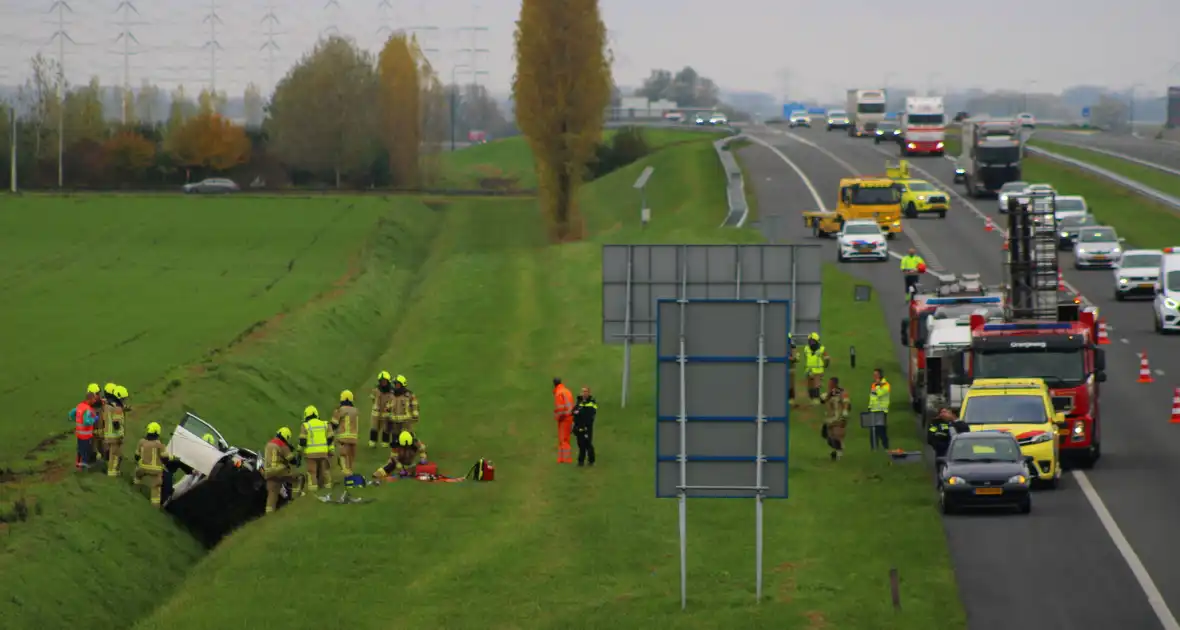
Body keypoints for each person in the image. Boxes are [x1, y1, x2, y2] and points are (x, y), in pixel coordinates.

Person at [134, 422, 171, 508]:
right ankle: (155, 506)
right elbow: (165, 459)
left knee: (137, 476)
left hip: (142, 467)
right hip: (155, 471)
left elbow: (136, 456)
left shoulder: (141, 442)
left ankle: (135, 490)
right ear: (158, 432)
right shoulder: (160, 445)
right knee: (156, 487)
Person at [262, 427, 299, 515]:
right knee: (297, 479)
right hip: (279, 470)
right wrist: (296, 460)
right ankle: (294, 499)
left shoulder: (269, 444)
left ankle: (269, 513)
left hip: (268, 472)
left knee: (272, 493)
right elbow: (291, 460)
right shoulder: (282, 445)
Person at [299, 405, 335, 492]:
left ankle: (313, 490)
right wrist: (330, 449)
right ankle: (328, 487)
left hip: (311, 454)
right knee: (325, 471)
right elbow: (330, 438)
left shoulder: (305, 426)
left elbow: (302, 441)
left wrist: (299, 452)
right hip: (323, 452)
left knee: (312, 472)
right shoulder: (325, 424)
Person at [818, 377, 850, 460]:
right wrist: (829, 394)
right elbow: (822, 400)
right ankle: (838, 449)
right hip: (831, 418)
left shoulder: (842, 392)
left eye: (830, 384)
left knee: (835, 435)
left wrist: (845, 412)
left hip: (838, 417)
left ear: (835, 384)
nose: (829, 385)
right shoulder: (829, 393)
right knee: (826, 434)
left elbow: (846, 402)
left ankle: (838, 452)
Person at [72, 384, 102, 471]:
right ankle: (83, 466)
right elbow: (87, 421)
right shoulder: (89, 407)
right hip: (86, 433)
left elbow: (73, 413)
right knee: (85, 449)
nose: (98, 396)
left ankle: (81, 464)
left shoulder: (83, 405)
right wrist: (94, 419)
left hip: (83, 433)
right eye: (97, 394)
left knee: (83, 449)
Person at [331, 389, 360, 475]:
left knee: (343, 455)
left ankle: (345, 471)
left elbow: (334, 424)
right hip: (354, 437)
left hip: (343, 437)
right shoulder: (356, 410)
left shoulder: (340, 410)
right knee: (351, 456)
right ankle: (350, 471)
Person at [103, 385, 129, 477]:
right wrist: (120, 433)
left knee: (111, 454)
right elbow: (116, 423)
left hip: (107, 433)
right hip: (114, 436)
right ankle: (112, 473)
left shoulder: (107, 405)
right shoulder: (117, 408)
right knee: (115, 456)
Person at [369, 371, 396, 448]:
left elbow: (393, 401)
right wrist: (375, 405)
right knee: (374, 427)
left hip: (386, 413)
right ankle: (372, 441)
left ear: (388, 381)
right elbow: (372, 398)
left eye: (384, 381)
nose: (383, 383)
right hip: (376, 413)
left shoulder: (391, 391)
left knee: (386, 428)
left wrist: (389, 407)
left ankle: (385, 442)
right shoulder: (376, 389)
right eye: (381, 381)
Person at [802, 333, 831, 405]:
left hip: (818, 370)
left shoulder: (822, 348)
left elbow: (827, 357)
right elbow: (806, 357)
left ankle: (816, 398)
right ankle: (812, 398)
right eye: (809, 341)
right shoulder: (806, 348)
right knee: (810, 385)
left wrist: (826, 364)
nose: (810, 343)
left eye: (812, 341)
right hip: (809, 370)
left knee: (816, 385)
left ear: (816, 341)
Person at [572, 386, 597, 467]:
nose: (584, 393)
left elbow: (590, 414)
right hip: (578, 426)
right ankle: (581, 461)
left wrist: (579, 412)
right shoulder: (579, 402)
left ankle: (591, 460)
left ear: (589, 393)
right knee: (580, 444)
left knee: (588, 444)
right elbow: (573, 411)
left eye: (586, 391)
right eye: (583, 391)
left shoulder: (592, 403)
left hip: (587, 427)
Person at [552, 378, 575, 464]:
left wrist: (557, 418)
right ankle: (562, 459)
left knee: (563, 440)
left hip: (564, 418)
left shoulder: (558, 393)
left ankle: (565, 460)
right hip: (570, 417)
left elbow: (560, 409)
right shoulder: (567, 391)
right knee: (566, 439)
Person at [868, 368, 892, 450]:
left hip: (881, 411)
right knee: (872, 432)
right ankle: (874, 449)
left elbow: (879, 394)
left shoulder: (886, 385)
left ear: (880, 376)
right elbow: (872, 397)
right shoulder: (873, 385)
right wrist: (870, 407)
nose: (874, 376)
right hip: (873, 411)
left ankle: (886, 447)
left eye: (876, 375)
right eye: (873, 375)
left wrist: (878, 385)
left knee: (881, 431)